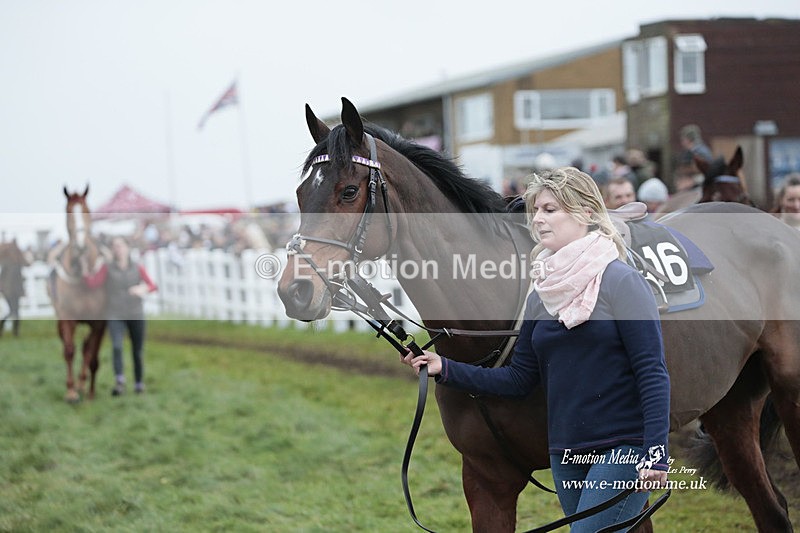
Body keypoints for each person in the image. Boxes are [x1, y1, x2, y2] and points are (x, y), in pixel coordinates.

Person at [403, 167, 670, 532]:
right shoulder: (541, 295)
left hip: (623, 448)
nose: (538, 220)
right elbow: (518, 379)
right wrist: (443, 367)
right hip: (566, 453)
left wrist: (655, 454)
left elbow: (652, 372)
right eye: (536, 211)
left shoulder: (621, 281)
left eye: (550, 209)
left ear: (587, 213)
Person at [83, 236, 157, 395]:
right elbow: (93, 283)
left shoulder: (137, 267)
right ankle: (120, 381)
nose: (118, 249)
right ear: (112, 250)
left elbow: (152, 285)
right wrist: (84, 270)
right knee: (117, 346)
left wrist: (142, 289)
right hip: (115, 313)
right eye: (115, 246)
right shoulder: (107, 268)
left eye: (121, 246)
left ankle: (138, 383)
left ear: (127, 248)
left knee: (137, 350)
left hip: (135, 313)